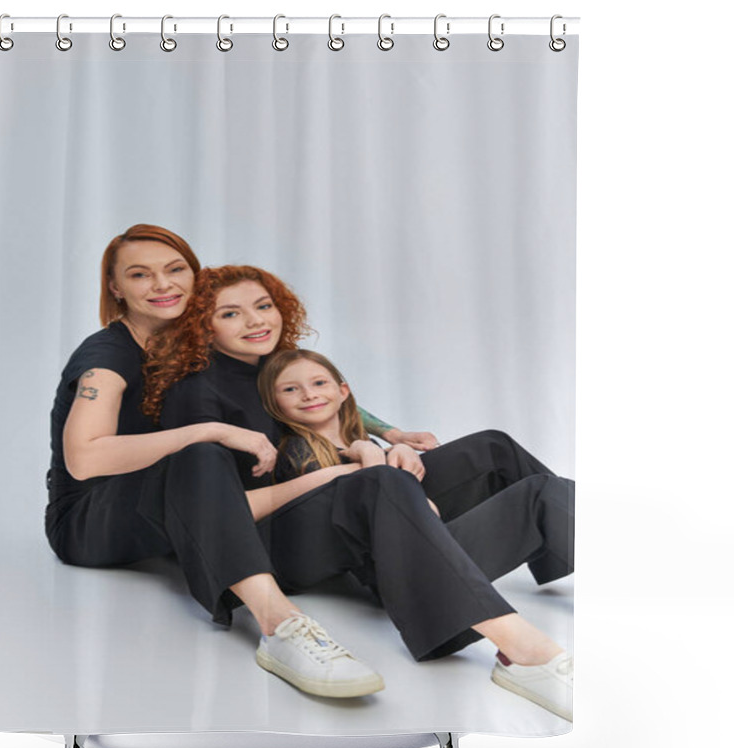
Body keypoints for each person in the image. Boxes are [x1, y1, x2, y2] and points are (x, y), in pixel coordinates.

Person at [149, 266, 574, 722]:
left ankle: (589, 571)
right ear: (201, 326)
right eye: (231, 313)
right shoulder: (197, 395)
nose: (255, 321)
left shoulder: (273, 362)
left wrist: (389, 442)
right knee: (379, 480)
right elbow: (209, 510)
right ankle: (524, 653)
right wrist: (350, 471)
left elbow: (337, 403)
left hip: (357, 497)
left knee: (495, 450)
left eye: (264, 306)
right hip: (281, 538)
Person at [46, 224, 432, 701]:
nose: (163, 285)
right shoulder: (106, 358)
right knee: (202, 453)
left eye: (175, 270)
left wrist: (385, 432)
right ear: (115, 287)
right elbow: (83, 459)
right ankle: (281, 626)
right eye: (140, 275)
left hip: (180, 499)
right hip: (91, 518)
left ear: (196, 276)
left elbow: (291, 384)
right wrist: (212, 430)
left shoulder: (202, 336)